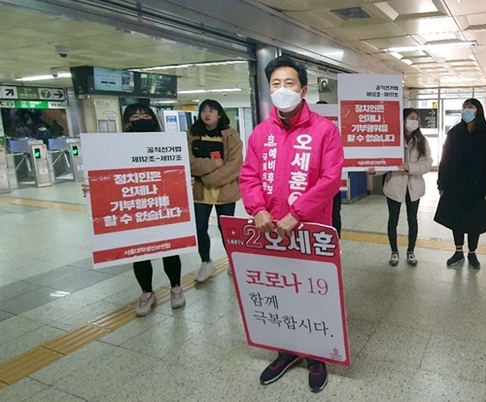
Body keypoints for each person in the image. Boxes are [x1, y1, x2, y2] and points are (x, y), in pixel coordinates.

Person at [239, 55, 343, 393]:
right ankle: (285, 350)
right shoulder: (260, 134)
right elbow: (249, 176)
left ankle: (315, 355)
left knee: (312, 292)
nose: (282, 90)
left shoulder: (324, 130)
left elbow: (329, 179)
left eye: (289, 84)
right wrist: (256, 209)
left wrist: (296, 214)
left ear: (304, 89)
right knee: (280, 291)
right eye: (275, 85)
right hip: (271, 231)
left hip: (309, 230)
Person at [83, 104, 185, 316]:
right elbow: (108, 174)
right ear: (127, 121)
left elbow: (176, 171)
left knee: (170, 248)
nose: (141, 119)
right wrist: (94, 185)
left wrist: (184, 180)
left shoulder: (167, 143)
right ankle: (147, 292)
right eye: (135, 116)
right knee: (139, 251)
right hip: (136, 208)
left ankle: (176, 287)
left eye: (145, 115)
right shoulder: (115, 147)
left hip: (161, 206)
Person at [434, 98, 486, 270]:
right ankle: (458, 251)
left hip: (478, 186)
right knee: (457, 219)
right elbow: (445, 159)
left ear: (478, 110)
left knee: (475, 220)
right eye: (464, 107)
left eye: (470, 107)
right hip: (456, 184)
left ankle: (472, 252)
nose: (466, 110)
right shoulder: (455, 133)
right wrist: (442, 183)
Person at [187, 99, 243, 283]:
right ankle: (206, 262)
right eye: (203, 110)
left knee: (227, 229)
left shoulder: (231, 135)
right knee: (200, 228)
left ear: (219, 114)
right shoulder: (192, 135)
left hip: (225, 192)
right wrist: (213, 164)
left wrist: (207, 176)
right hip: (200, 194)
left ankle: (233, 262)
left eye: (211, 110)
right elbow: (189, 163)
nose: (206, 114)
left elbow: (234, 166)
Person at [369, 108, 431, 266]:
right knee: (393, 220)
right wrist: (375, 170)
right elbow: (386, 162)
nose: (415, 121)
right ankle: (394, 252)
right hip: (395, 185)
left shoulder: (422, 141)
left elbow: (426, 164)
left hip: (414, 187)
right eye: (411, 117)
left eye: (417, 118)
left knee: (412, 220)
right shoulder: (392, 139)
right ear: (402, 119)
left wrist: (409, 167)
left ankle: (411, 251)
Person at [316, 100, 343, 236]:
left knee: (334, 214)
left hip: (333, 185)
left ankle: (335, 242)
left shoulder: (335, 131)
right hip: (312, 186)